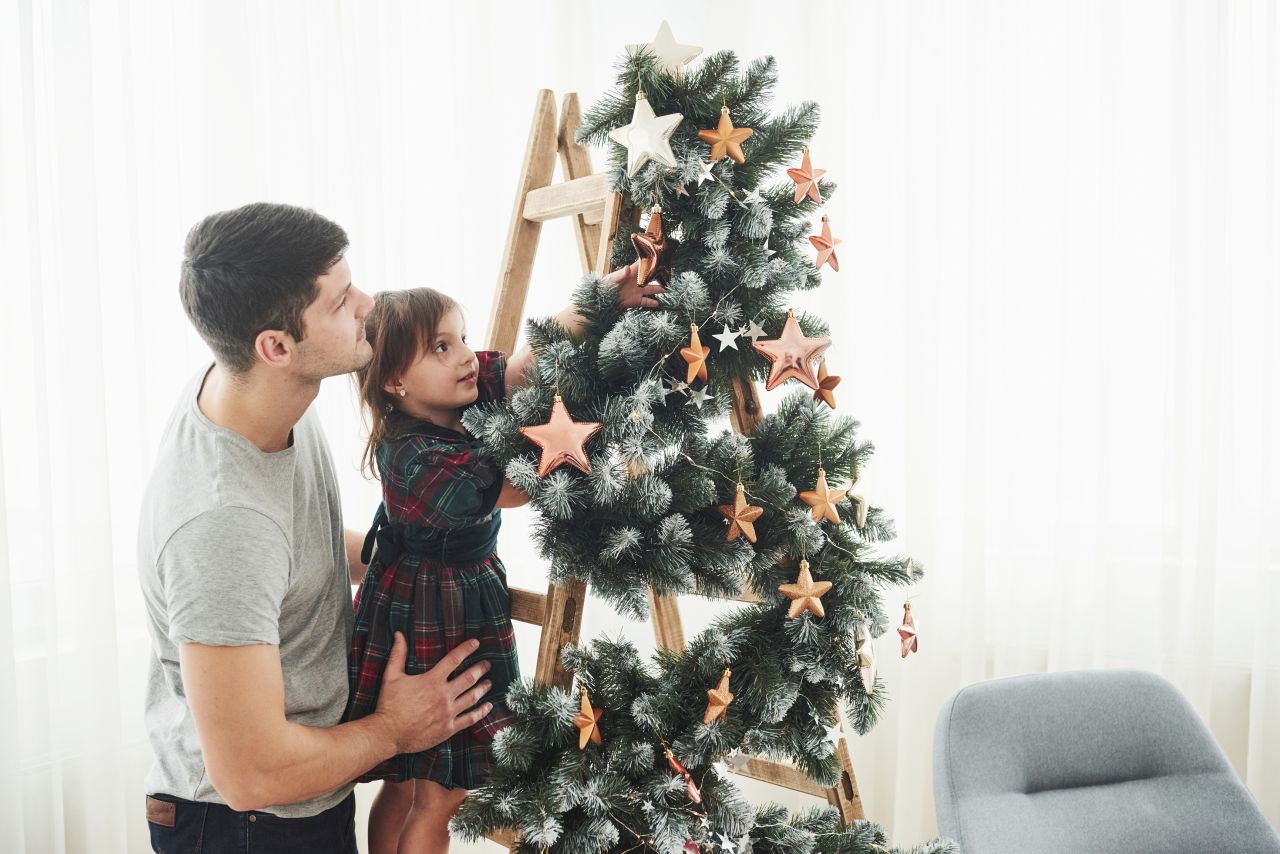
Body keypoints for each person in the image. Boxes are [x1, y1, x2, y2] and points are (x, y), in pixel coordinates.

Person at [136, 202, 496, 853]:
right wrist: (396, 728)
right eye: (339, 301)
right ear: (276, 347)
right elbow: (251, 775)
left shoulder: (261, 391)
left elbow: (291, 556)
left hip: (298, 803)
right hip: (246, 825)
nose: (367, 304)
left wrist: (406, 554)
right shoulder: (222, 525)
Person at [348, 269, 664, 853]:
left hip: (444, 599)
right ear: (394, 380)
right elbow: (513, 489)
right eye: (441, 347)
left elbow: (521, 365)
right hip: (434, 619)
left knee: (411, 783)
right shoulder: (413, 454)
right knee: (438, 793)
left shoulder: (456, 401)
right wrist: (573, 437)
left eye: (461, 337)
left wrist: (593, 303)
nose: (465, 356)